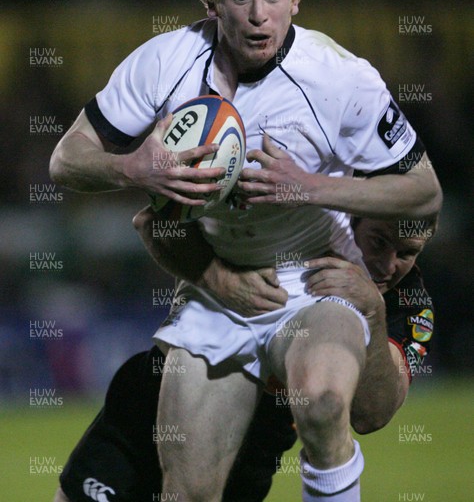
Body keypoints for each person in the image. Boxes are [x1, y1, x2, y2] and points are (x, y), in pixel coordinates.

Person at [50, 0, 442, 501]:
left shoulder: (341, 79)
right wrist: (132, 165)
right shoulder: (163, 64)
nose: (260, 15)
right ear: (211, 2)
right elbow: (65, 160)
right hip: (217, 297)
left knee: (324, 401)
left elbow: (423, 189)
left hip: (313, 284)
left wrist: (309, 185)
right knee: (190, 490)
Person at [54, 213, 436, 502]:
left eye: (407, 253)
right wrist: (218, 278)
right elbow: (153, 220)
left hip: (251, 454)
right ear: (349, 216)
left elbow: (371, 415)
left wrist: (374, 313)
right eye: (379, 241)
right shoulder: (286, 221)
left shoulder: (407, 303)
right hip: (149, 411)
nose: (388, 264)